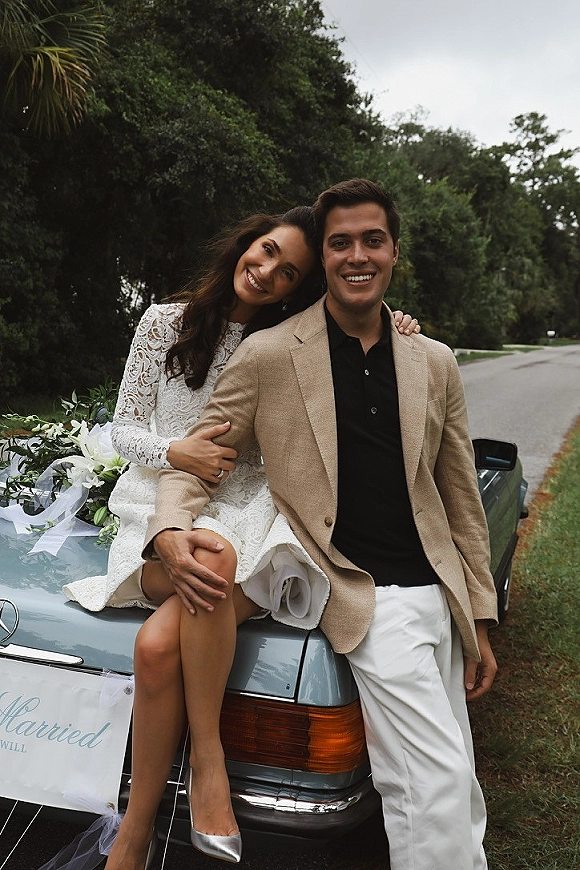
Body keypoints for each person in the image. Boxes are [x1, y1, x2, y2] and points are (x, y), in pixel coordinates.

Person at [146, 179, 498, 870]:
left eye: (373, 240)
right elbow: (198, 461)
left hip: (441, 593)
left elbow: (460, 497)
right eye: (341, 243)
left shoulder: (434, 361)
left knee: (453, 783)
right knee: (437, 784)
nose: (357, 255)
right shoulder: (272, 354)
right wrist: (168, 529)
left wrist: (479, 614)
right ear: (327, 259)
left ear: (395, 250)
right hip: (367, 595)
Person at [60, 205, 418, 870]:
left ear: (298, 289)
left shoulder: (290, 342)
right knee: (211, 558)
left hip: (249, 501)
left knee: (159, 640)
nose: (267, 273)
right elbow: (125, 429)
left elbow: (361, 343)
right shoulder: (163, 323)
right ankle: (209, 768)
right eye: (265, 252)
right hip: (158, 494)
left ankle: (134, 840)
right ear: (245, 244)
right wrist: (180, 453)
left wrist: (396, 326)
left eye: (288, 274)